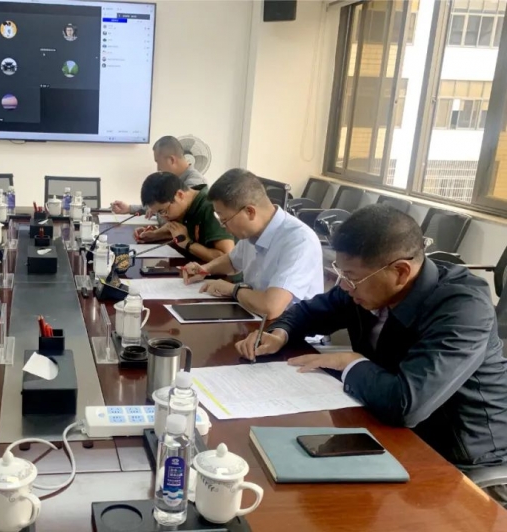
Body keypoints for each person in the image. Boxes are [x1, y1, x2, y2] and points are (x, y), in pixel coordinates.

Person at [236, 204, 507, 506]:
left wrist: (350, 362)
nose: (343, 285)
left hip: (459, 457)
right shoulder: (365, 284)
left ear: (400, 272)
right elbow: (309, 311)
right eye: (341, 272)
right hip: (385, 427)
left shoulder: (463, 308)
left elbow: (407, 404)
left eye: (351, 277)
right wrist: (280, 333)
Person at [180, 169, 322, 319]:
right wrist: (205, 269)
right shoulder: (251, 232)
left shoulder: (299, 241)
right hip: (254, 316)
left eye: (225, 220)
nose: (223, 227)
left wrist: (233, 289)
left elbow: (270, 308)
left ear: (250, 212)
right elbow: (232, 262)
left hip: (288, 328)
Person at [134, 171, 234, 262]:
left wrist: (188, 244)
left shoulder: (210, 207)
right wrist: (154, 235)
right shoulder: (186, 204)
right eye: (158, 213)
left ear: (180, 195)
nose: (163, 217)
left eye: (163, 211)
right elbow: (177, 230)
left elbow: (227, 258)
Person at [112, 136, 208, 215]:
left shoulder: (195, 183)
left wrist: (157, 212)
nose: (158, 168)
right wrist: (129, 208)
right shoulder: (174, 180)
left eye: (158, 162)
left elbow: (172, 213)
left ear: (171, 160)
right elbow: (160, 203)